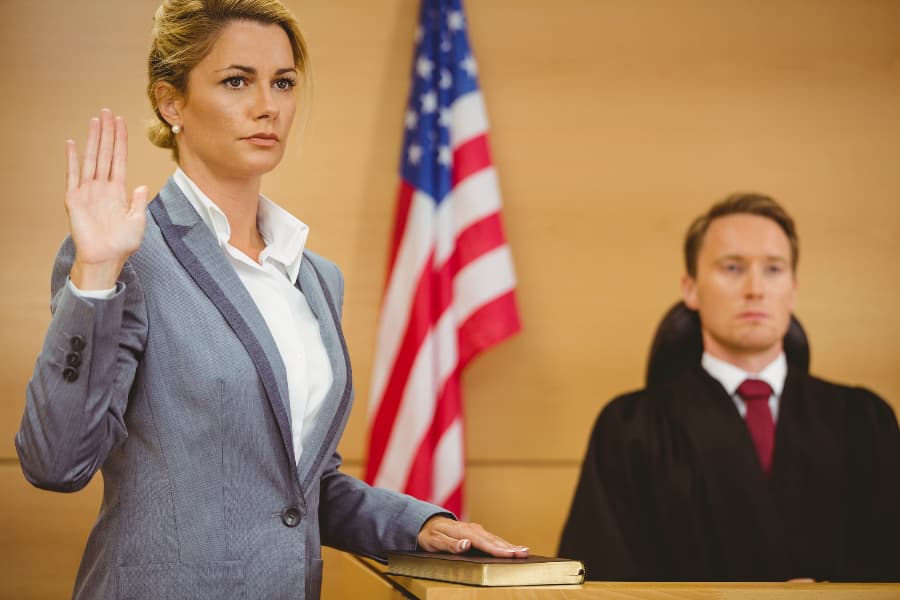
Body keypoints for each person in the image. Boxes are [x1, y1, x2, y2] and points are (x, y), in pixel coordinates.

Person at [15, 1, 527, 598]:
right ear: (170, 102)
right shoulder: (127, 257)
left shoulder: (316, 277)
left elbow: (295, 488)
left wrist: (418, 525)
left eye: (283, 82)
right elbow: (57, 463)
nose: (268, 106)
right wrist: (97, 273)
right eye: (237, 81)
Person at [558, 193, 900, 581]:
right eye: (733, 267)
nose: (755, 288)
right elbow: (599, 578)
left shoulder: (865, 421)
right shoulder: (629, 428)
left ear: (793, 290)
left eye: (773, 269)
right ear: (691, 288)